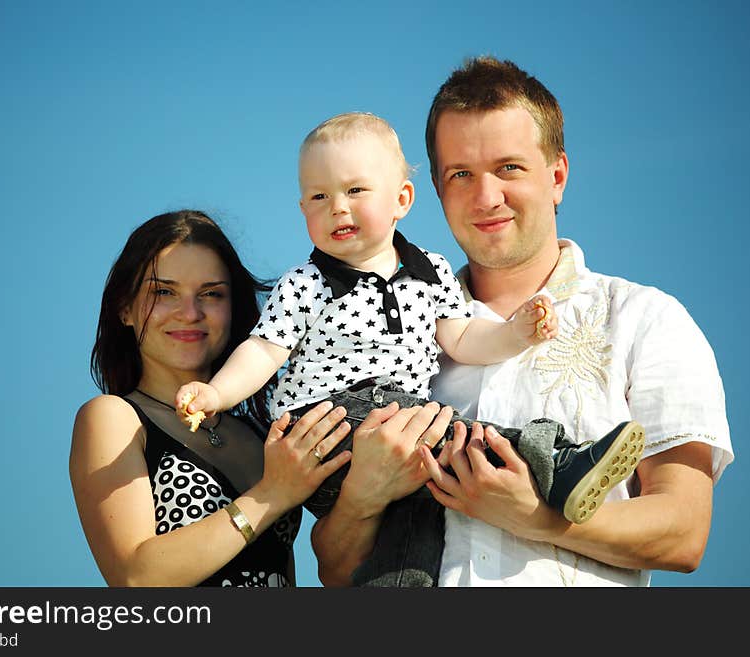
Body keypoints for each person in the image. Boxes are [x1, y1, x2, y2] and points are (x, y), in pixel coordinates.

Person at [311, 56, 734, 587]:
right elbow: (332, 569)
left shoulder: (645, 320)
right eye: (460, 174)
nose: (487, 198)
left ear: (557, 176)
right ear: (436, 193)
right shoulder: (389, 341)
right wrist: (363, 498)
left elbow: (683, 534)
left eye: (508, 167)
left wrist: (536, 518)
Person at [176, 113, 647, 586]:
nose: (338, 207)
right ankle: (558, 463)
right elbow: (263, 351)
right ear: (303, 211)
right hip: (327, 424)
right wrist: (215, 395)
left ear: (401, 199)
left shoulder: (432, 272)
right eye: (320, 197)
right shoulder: (307, 283)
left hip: (397, 423)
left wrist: (515, 333)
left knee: (422, 516)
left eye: (355, 191)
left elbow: (463, 338)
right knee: (455, 436)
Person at [69, 209, 353, 587]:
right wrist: (272, 495)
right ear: (125, 308)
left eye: (211, 294)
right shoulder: (113, 417)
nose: (190, 313)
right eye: (164, 292)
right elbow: (135, 577)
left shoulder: (262, 432)